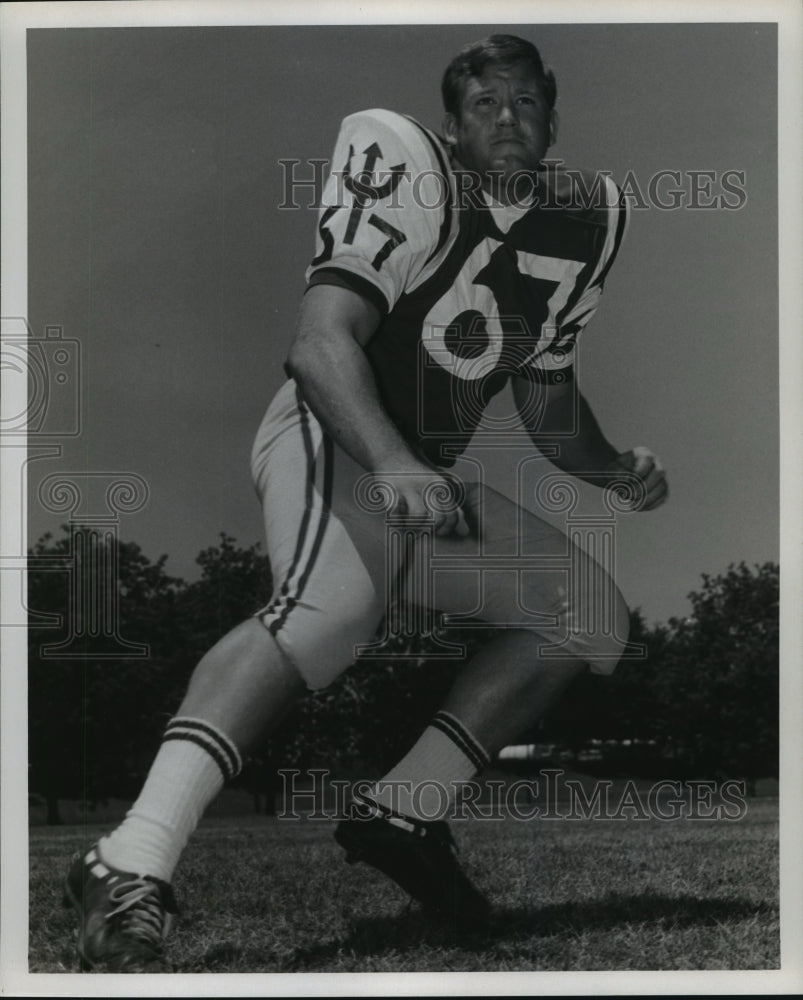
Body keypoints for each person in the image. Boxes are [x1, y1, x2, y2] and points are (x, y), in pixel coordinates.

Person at [63, 33, 668, 971]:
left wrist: (611, 468)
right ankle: (127, 858)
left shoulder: (588, 216)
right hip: (333, 432)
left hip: (416, 474)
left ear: (552, 112)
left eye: (524, 102)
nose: (506, 120)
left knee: (587, 616)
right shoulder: (403, 161)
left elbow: (545, 394)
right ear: (450, 126)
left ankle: (402, 814)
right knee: (326, 614)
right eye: (483, 105)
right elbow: (318, 345)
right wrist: (389, 460)